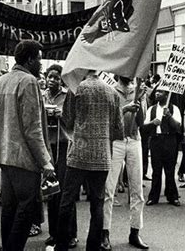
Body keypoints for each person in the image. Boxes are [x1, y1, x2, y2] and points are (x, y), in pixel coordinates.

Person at [0, 41, 54, 251]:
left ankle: (8, 247)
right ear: (31, 59)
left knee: (9, 209)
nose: (41, 65)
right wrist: (46, 162)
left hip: (3, 155)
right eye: (40, 59)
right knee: (26, 211)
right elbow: (32, 129)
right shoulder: (29, 82)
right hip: (24, 159)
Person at [55, 70, 123, 251]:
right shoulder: (112, 92)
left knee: (67, 200)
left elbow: (68, 121)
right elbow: (119, 129)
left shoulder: (76, 89)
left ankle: (61, 245)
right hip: (102, 155)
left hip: (79, 153)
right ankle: (92, 247)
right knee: (97, 202)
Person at [101, 76, 148, 250]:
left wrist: (141, 100)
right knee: (108, 190)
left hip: (134, 139)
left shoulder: (139, 91)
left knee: (137, 190)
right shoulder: (111, 90)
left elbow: (141, 122)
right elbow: (108, 119)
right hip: (116, 141)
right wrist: (125, 108)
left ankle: (135, 232)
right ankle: (105, 233)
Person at [42, 64, 78, 248]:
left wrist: (60, 115)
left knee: (65, 191)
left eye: (56, 77)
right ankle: (54, 233)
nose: (52, 80)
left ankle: (70, 233)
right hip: (48, 147)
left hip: (64, 146)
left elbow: (72, 120)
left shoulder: (67, 96)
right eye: (50, 77)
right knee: (51, 192)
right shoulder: (42, 96)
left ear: (61, 80)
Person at [143, 90, 182, 207]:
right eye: (156, 92)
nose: (157, 94)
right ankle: (153, 197)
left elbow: (177, 126)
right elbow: (144, 126)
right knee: (156, 170)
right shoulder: (152, 109)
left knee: (170, 170)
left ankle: (172, 196)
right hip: (156, 140)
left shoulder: (174, 109)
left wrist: (169, 116)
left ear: (167, 95)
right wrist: (152, 123)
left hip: (170, 140)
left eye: (160, 92)